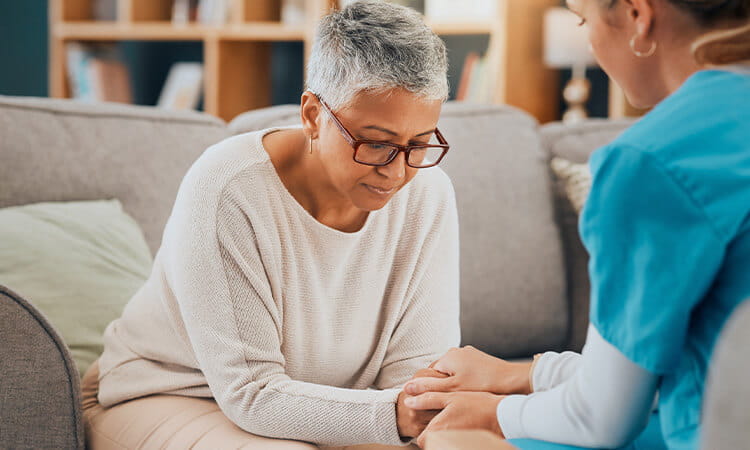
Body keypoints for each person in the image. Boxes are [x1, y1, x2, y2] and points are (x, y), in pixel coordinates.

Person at [81, 1, 461, 448]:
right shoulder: (228, 188)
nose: (396, 172)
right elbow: (251, 392)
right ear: (313, 116)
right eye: (376, 144)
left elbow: (415, 375)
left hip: (336, 409)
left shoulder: (428, 192)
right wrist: (396, 415)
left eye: (418, 144)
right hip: (170, 394)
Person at [402, 0, 750, 449]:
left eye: (583, 20)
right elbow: (681, 365)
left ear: (637, 17)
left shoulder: (648, 162)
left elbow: (602, 418)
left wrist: (492, 414)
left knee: (452, 440)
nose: (588, 40)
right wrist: (523, 374)